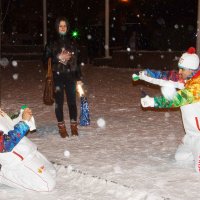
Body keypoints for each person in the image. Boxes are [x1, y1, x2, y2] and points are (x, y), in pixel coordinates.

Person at [136, 47, 200, 173]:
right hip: (191, 135)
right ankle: (195, 149)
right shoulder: (187, 79)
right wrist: (146, 75)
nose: (179, 71)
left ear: (192, 70)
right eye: (179, 68)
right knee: (180, 157)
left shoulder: (197, 86)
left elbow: (175, 99)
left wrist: (152, 102)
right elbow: (167, 77)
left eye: (182, 69)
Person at [44, 16, 83, 138]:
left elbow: (77, 61)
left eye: (64, 26)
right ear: (57, 27)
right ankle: (61, 127)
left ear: (67, 27)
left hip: (70, 76)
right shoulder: (51, 42)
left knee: (72, 102)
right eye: (60, 26)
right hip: (57, 76)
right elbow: (45, 60)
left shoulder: (72, 42)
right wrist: (57, 58)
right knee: (59, 103)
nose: (62, 28)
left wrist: (79, 78)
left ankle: (74, 126)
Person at [0, 107, 56, 191]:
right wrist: (24, 123)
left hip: (25, 150)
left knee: (52, 172)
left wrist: (21, 117)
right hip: (13, 162)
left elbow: (9, 127)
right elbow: (5, 144)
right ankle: (2, 175)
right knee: (47, 185)